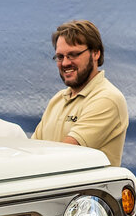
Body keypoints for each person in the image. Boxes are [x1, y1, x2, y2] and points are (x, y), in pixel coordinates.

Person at [32, 20, 128, 165]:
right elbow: (33, 150)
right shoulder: (58, 99)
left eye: (73, 55)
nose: (65, 63)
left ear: (95, 53)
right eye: (60, 57)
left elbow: (68, 156)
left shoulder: (108, 99)